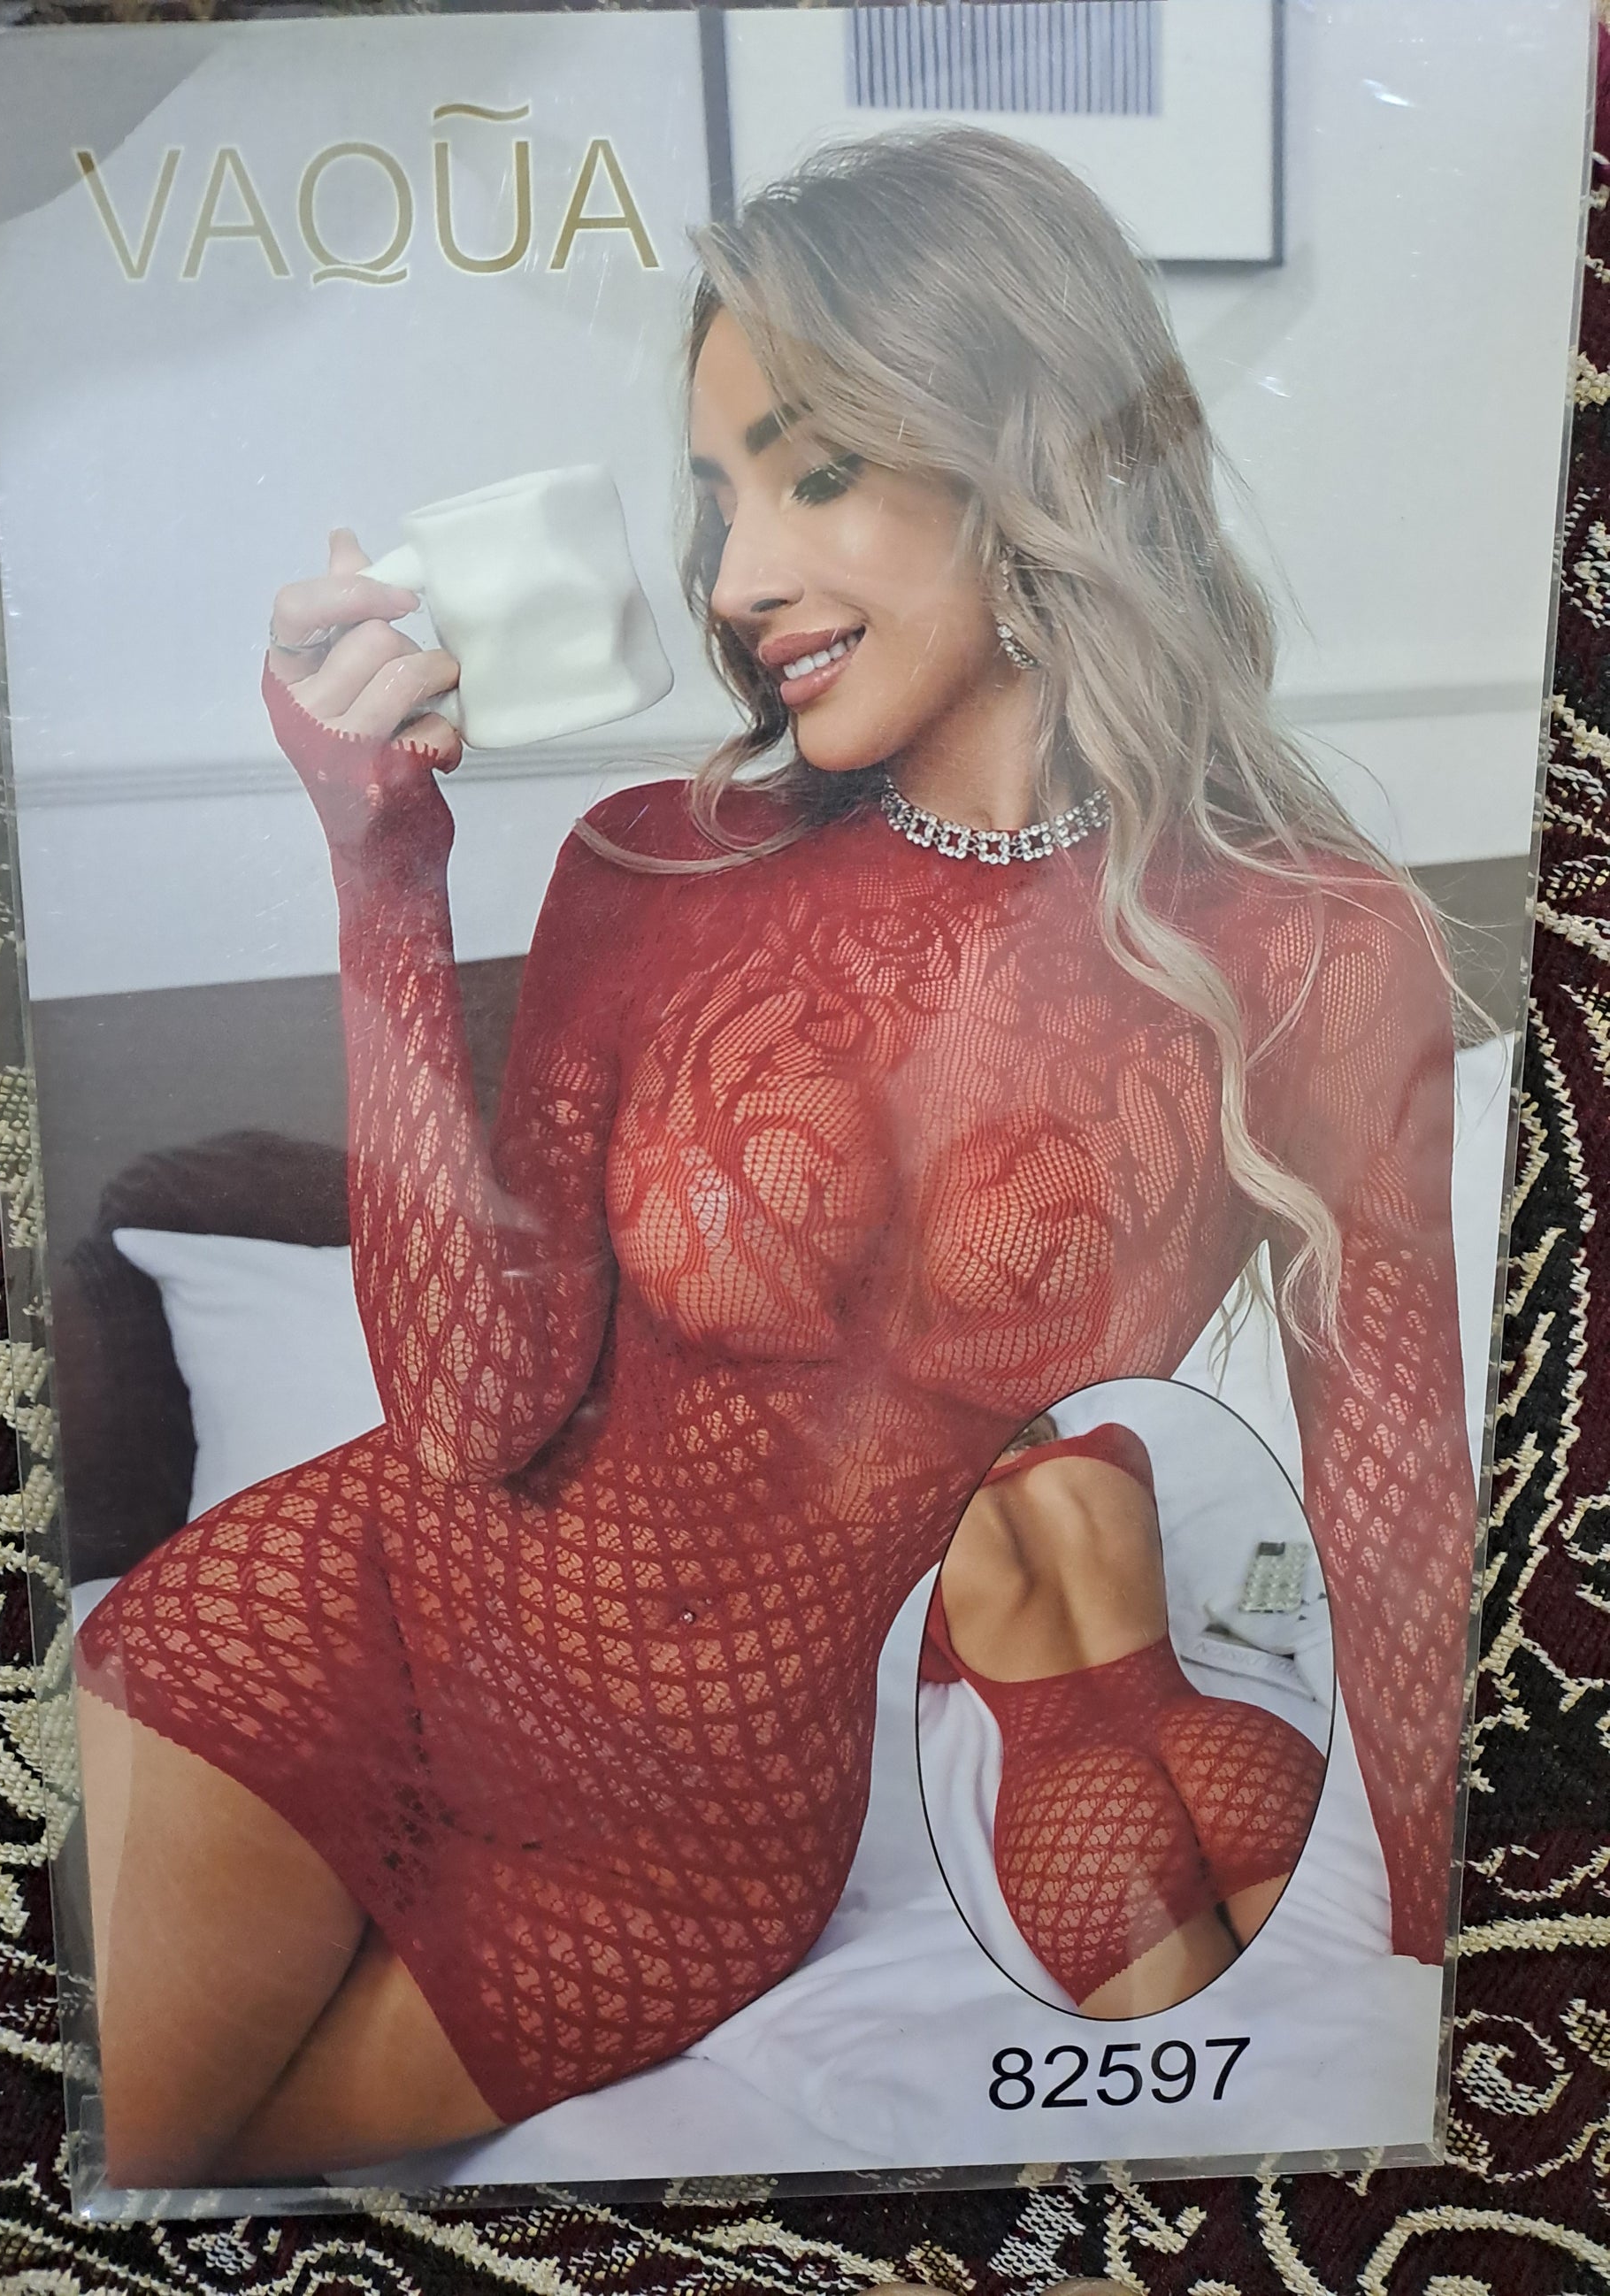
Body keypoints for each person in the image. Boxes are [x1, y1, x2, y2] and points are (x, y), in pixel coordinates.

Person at [73, 124, 1475, 2186]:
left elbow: (1396, 1506)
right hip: (347, 1616)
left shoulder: (1311, 947)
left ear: (1024, 452)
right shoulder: (652, 865)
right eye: (720, 496)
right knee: (101, 2168)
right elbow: (467, 1416)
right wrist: (381, 870)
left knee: (233, 2193)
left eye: (811, 476)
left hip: (687, 1860)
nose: (734, 582)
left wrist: (1470, 1975)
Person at [921, 1415, 1325, 2016]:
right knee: (1322, 2007)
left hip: (1075, 1797)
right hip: (1220, 1744)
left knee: (1193, 2045)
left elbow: (933, 1668)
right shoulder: (1113, 1450)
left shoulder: (922, 1536)